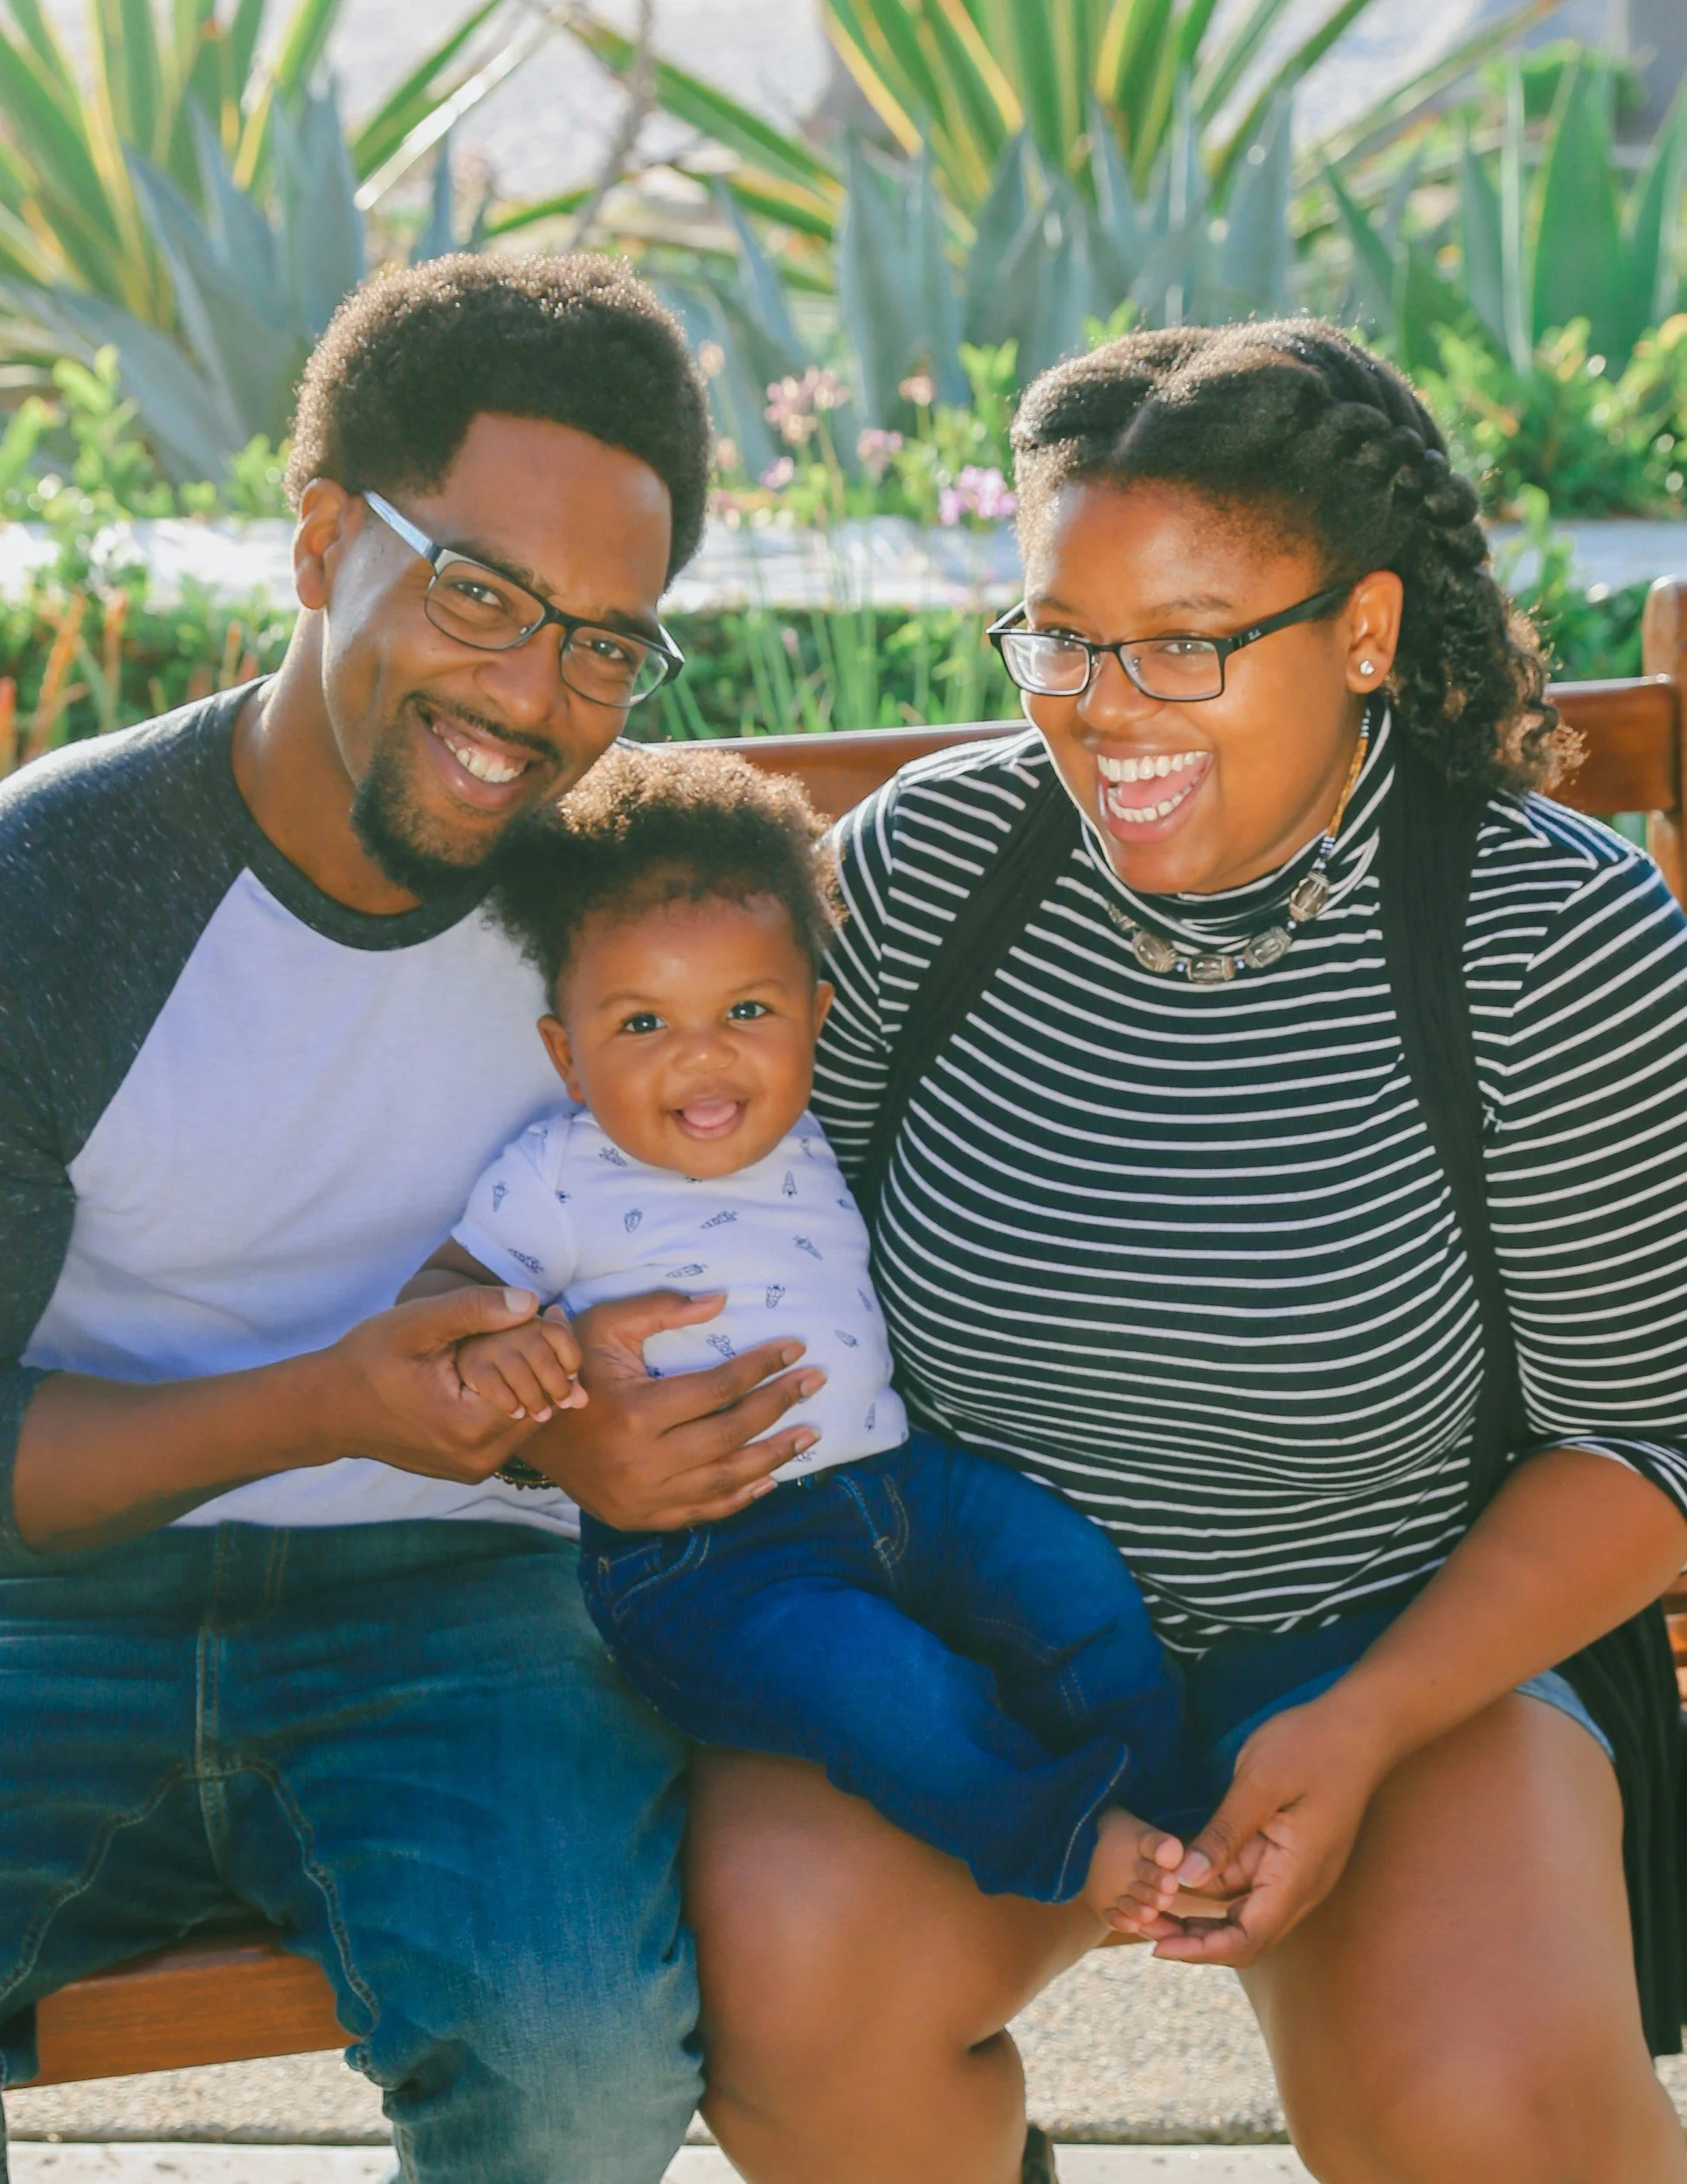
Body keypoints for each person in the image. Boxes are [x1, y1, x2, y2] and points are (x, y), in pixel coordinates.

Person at [687, 321, 1687, 2184]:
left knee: (1498, 2126)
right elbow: (726, 1218)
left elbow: (1645, 1443)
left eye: (1184, 642)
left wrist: (1365, 1723)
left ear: (1363, 631)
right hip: (974, 1652)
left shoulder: (1547, 936)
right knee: (776, 1977)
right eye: (1060, 636)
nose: (1100, 706)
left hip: (1395, 1628)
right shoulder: (934, 870)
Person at [0, 254, 821, 2184]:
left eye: (608, 643)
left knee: (579, 2072)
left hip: (466, 1614)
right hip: (49, 1608)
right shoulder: (55, 893)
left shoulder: (629, 921)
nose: (536, 698)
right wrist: (323, 1402)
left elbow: (754, 1257)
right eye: (481, 593)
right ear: (317, 543)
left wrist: (594, 1447)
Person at [401, 744, 1206, 1910]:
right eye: (640, 1025)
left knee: (1065, 1576)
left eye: (744, 1010)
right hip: (708, 1562)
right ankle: (1061, 1840)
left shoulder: (815, 1129)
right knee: (888, 1690)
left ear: (812, 1018)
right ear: (565, 1055)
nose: (702, 1053)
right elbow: (432, 1302)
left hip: (898, 1486)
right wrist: (503, 1345)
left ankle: (1173, 1807)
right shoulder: (556, 1179)